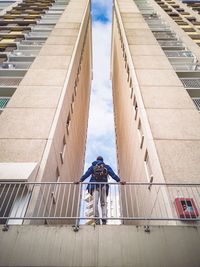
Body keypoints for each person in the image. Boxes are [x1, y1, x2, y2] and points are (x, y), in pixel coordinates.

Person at [76, 156, 124, 225]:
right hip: (103, 185)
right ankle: (104, 218)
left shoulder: (93, 166)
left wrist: (80, 180)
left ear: (97, 160)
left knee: (95, 202)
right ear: (102, 160)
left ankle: (96, 218)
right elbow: (113, 174)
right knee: (103, 203)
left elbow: (87, 174)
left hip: (95, 186)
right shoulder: (106, 166)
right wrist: (119, 181)